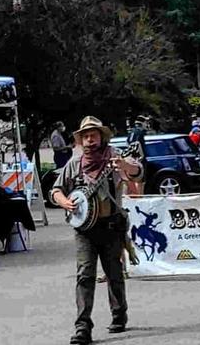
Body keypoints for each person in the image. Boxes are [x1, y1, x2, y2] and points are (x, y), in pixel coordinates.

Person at [50, 116, 143, 344]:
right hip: (84, 230)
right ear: (81, 140)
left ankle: (119, 314)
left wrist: (125, 166)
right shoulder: (75, 163)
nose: (90, 140)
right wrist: (65, 202)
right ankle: (83, 327)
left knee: (114, 273)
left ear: (102, 136)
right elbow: (55, 191)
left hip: (111, 225)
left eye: (94, 135)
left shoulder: (115, 156)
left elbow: (137, 172)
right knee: (85, 275)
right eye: (86, 136)